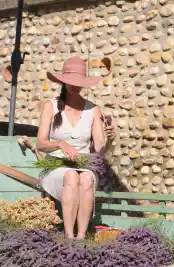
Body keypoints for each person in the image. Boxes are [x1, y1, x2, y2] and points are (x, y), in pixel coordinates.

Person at [36, 56, 115, 239]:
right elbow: (40, 143)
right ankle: (68, 236)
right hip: (56, 166)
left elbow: (100, 150)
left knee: (86, 178)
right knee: (71, 176)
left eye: (79, 82)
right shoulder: (51, 106)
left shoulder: (93, 110)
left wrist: (110, 139)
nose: (74, 85)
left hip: (84, 165)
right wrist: (59, 143)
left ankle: (80, 238)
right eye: (71, 81)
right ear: (63, 81)